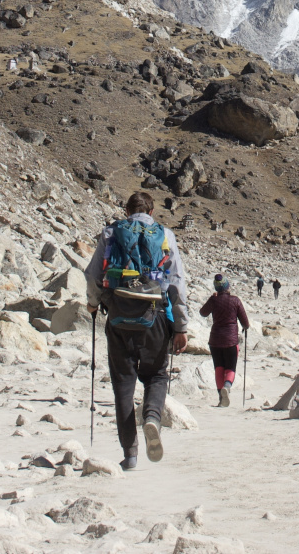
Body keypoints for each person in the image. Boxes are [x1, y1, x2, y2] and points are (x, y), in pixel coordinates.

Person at [86, 191, 188, 470]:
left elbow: (93, 276)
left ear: (127, 211)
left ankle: (129, 454)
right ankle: (153, 418)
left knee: (123, 384)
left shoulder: (110, 233)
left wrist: (93, 304)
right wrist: (180, 326)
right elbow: (176, 282)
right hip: (154, 316)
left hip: (119, 316)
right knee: (156, 374)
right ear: (152, 212)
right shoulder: (165, 235)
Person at [199, 275, 250, 406]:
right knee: (230, 368)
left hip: (215, 340)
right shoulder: (235, 300)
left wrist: (212, 299)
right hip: (231, 340)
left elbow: (203, 313)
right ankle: (227, 387)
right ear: (228, 286)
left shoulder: (214, 300)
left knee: (219, 368)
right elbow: (245, 321)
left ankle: (221, 399)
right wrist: (245, 327)